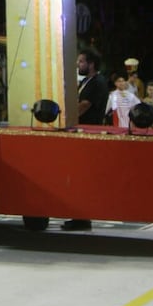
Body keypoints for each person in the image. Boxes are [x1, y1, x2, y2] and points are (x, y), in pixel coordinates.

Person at [63, 48, 109, 231]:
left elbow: (83, 106)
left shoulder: (97, 83)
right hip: (82, 132)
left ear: (91, 64)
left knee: (82, 176)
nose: (78, 64)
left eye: (81, 61)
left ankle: (82, 217)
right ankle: (79, 216)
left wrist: (65, 117)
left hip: (89, 134)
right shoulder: (87, 81)